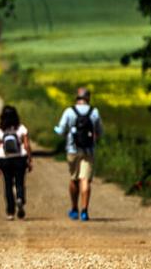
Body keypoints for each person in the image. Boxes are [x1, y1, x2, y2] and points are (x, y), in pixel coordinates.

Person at [54, 87, 103, 221]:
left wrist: (58, 131)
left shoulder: (69, 111)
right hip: (89, 150)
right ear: (88, 98)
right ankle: (85, 211)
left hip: (72, 150)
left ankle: (74, 209)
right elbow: (99, 132)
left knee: (74, 179)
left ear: (77, 98)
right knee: (85, 179)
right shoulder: (94, 112)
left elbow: (61, 130)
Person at [0, 105, 32, 220]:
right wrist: (29, 159)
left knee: (8, 185)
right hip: (20, 158)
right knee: (20, 183)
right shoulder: (21, 129)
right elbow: (26, 145)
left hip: (4, 159)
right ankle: (20, 198)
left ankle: (10, 212)